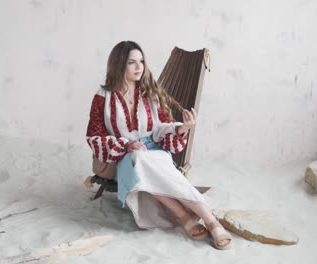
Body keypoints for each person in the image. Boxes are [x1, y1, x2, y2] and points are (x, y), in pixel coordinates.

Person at [86, 41, 232, 250]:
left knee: (146, 161)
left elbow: (161, 127)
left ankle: (191, 217)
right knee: (138, 159)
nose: (139, 67)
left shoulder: (149, 92)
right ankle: (207, 218)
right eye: (131, 62)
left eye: (141, 61)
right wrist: (126, 145)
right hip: (123, 158)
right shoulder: (102, 98)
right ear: (118, 65)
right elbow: (94, 136)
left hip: (154, 151)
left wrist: (182, 129)